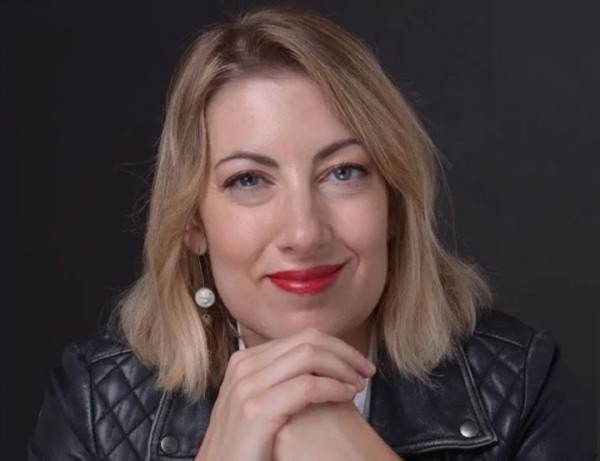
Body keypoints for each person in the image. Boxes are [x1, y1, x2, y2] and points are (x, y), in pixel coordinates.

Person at [28, 5, 583, 460]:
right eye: (248, 180)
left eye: (343, 173)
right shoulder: (94, 404)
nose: (303, 232)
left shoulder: (519, 383)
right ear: (193, 223)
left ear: (393, 203)